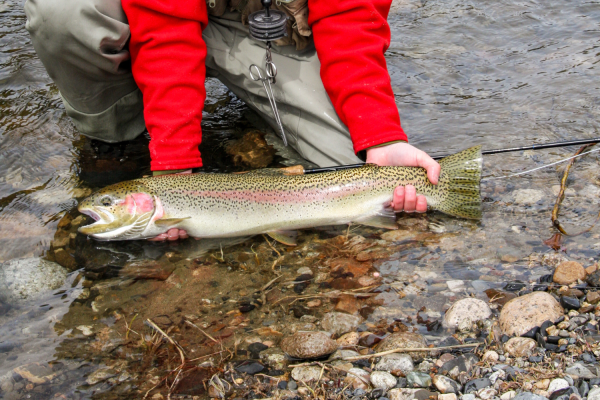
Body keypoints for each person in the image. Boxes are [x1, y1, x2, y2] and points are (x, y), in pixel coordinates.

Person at [24, 0, 440, 241]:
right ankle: (118, 135)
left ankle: (452, 186)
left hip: (273, 31)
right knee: (64, 11)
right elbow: (164, 27)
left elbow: (351, 18)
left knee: (354, 169)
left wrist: (381, 134)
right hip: (157, 18)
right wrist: (173, 158)